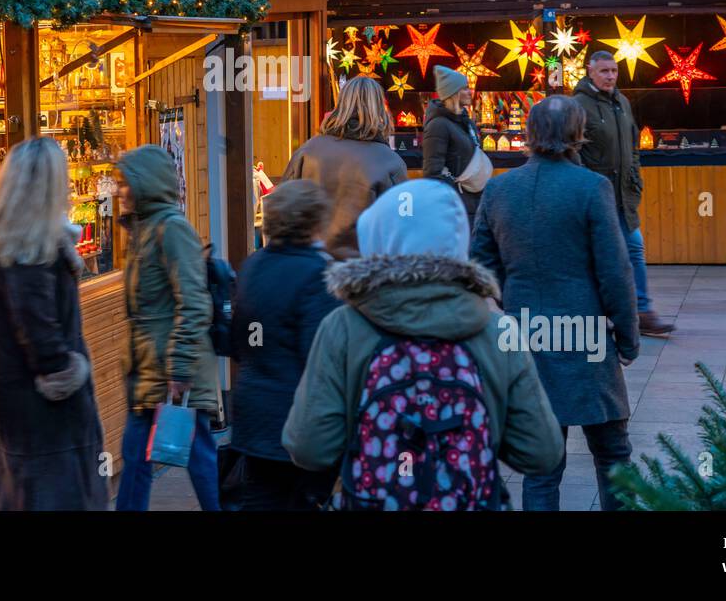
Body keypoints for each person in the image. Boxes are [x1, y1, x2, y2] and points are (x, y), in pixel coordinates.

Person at [282, 178, 565, 510]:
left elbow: (309, 448)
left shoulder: (343, 328)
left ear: (376, 235)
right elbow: (541, 451)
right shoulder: (496, 332)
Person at [471, 95, 640, 511]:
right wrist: (628, 335)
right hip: (587, 336)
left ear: (529, 134)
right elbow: (614, 270)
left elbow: (479, 265)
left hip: (525, 335)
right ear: (578, 135)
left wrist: (511, 299)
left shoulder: (498, 188)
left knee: (541, 467)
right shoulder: (591, 188)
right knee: (613, 452)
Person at [0, 137, 106, 511]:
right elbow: (38, 332)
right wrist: (66, 372)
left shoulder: (10, 242)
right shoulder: (28, 253)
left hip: (13, 393)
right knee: (48, 493)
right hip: (40, 406)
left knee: (16, 490)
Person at [114, 144, 220, 511]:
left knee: (197, 460)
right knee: (139, 459)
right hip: (149, 370)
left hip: (173, 372)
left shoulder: (172, 230)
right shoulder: (143, 231)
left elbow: (193, 302)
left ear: (146, 184)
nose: (118, 191)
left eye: (125, 184)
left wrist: (178, 365)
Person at [229, 179, 340, 510]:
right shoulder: (317, 274)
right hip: (297, 420)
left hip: (252, 415)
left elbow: (238, 343)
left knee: (263, 498)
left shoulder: (253, 267)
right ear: (314, 221)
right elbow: (321, 358)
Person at [573, 51, 676, 337]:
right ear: (590, 72)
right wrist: (586, 186)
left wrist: (635, 175)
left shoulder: (622, 102)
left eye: (614, 71)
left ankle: (642, 312)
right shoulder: (578, 106)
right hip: (596, 196)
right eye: (604, 71)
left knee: (633, 248)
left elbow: (632, 145)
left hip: (623, 196)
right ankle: (599, 312)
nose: (610, 76)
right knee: (599, 255)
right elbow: (573, 151)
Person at [282, 75, 407, 260]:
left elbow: (283, 208)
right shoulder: (390, 162)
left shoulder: (308, 151)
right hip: (359, 273)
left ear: (341, 104)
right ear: (380, 108)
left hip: (308, 265)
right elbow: (400, 226)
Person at [422, 64, 490, 242]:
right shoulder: (438, 125)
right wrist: (456, 193)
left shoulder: (465, 122)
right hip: (460, 206)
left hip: (474, 202)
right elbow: (432, 173)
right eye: (465, 88)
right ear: (454, 92)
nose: (470, 91)